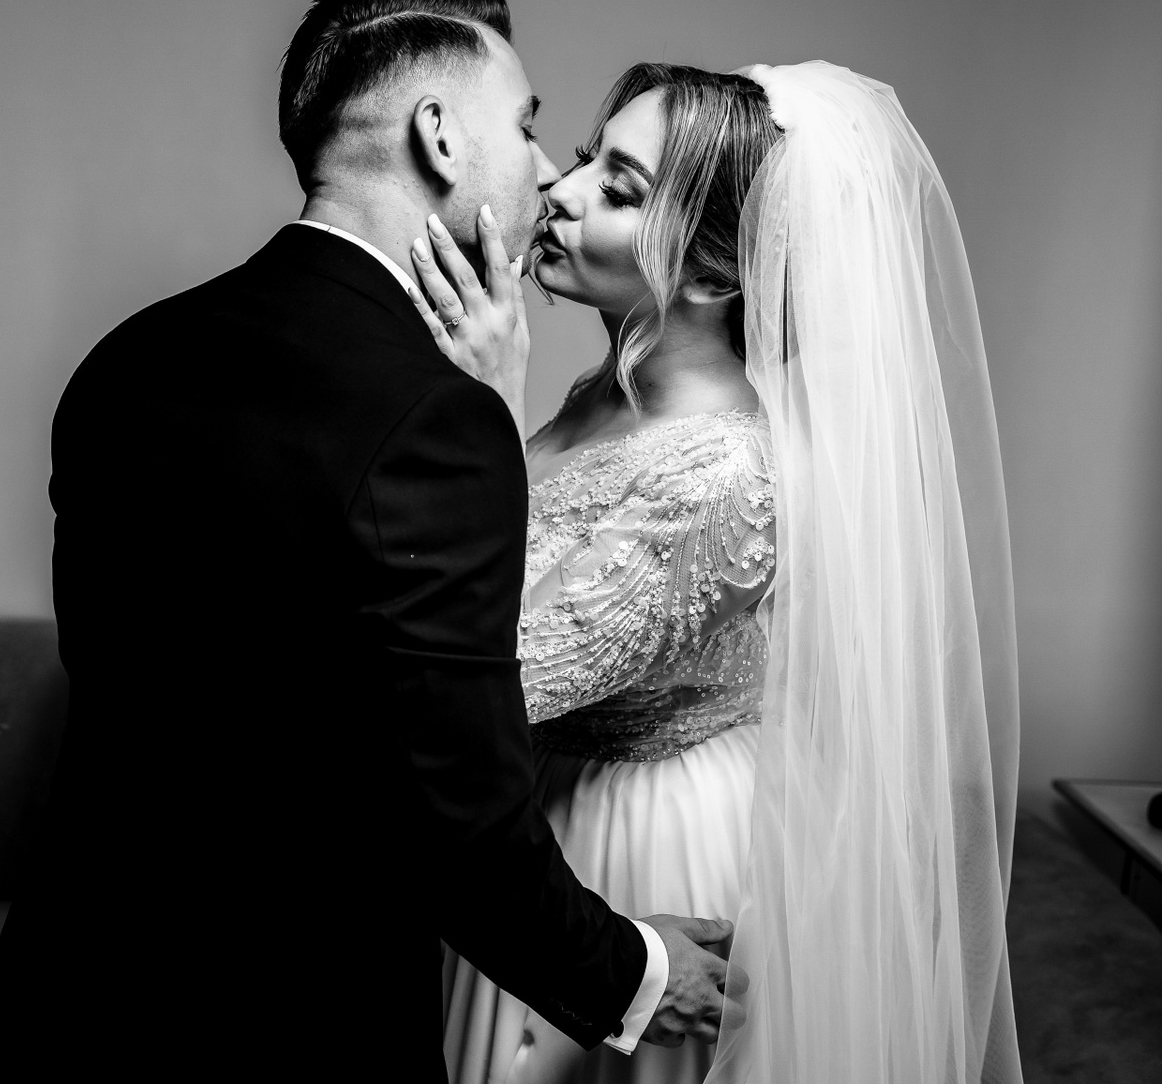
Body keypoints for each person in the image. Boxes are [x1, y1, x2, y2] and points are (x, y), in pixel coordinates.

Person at [0, 0, 738, 1082]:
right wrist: (633, 972)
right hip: (284, 1022)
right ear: (439, 136)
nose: (545, 171)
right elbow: (453, 804)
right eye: (527, 127)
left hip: (67, 998)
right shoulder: (433, 416)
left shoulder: (129, 356)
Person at [419, 62, 1021, 1084]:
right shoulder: (607, 392)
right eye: (584, 158)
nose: (559, 189)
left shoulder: (724, 474)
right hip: (535, 805)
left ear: (708, 278)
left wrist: (478, 406)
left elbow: (481, 683)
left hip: (629, 834)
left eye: (618, 188)